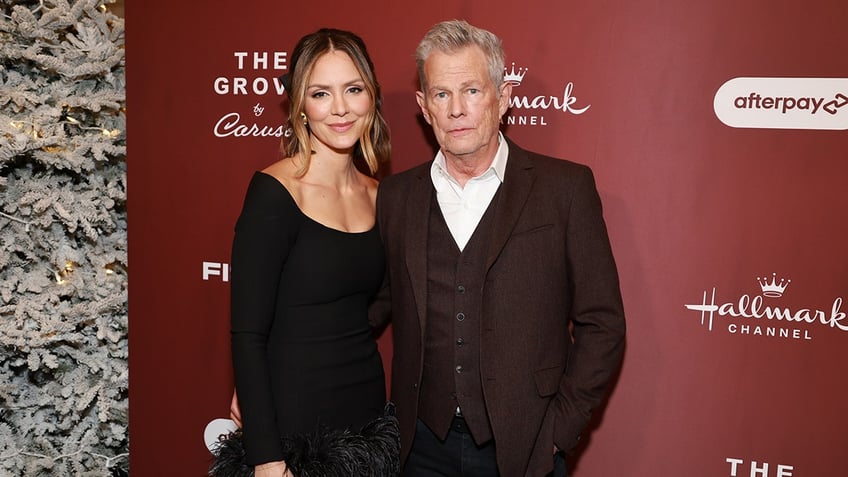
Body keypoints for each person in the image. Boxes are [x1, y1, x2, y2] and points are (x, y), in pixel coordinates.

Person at [369, 20, 626, 477]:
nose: (456, 110)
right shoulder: (396, 197)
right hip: (420, 447)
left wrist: (558, 433)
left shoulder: (564, 189)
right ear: (424, 108)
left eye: (471, 90)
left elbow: (602, 323)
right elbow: (369, 306)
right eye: (442, 95)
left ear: (503, 97)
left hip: (525, 450)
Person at [211, 28, 398, 477]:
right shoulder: (274, 193)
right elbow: (248, 334)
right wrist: (267, 458)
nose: (340, 108)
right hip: (291, 429)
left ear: (371, 95)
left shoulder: (381, 195)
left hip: (366, 420)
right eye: (321, 93)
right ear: (299, 104)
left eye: (353, 89)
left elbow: (379, 301)